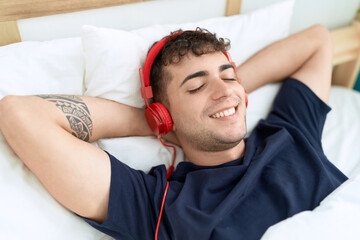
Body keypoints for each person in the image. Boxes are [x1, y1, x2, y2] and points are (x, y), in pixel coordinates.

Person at [0, 25, 347, 240]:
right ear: (164, 113)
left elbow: (316, 40)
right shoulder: (157, 205)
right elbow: (20, 114)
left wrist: (231, 92)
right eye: (196, 87)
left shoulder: (289, 131)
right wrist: (155, 122)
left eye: (228, 75)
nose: (223, 89)